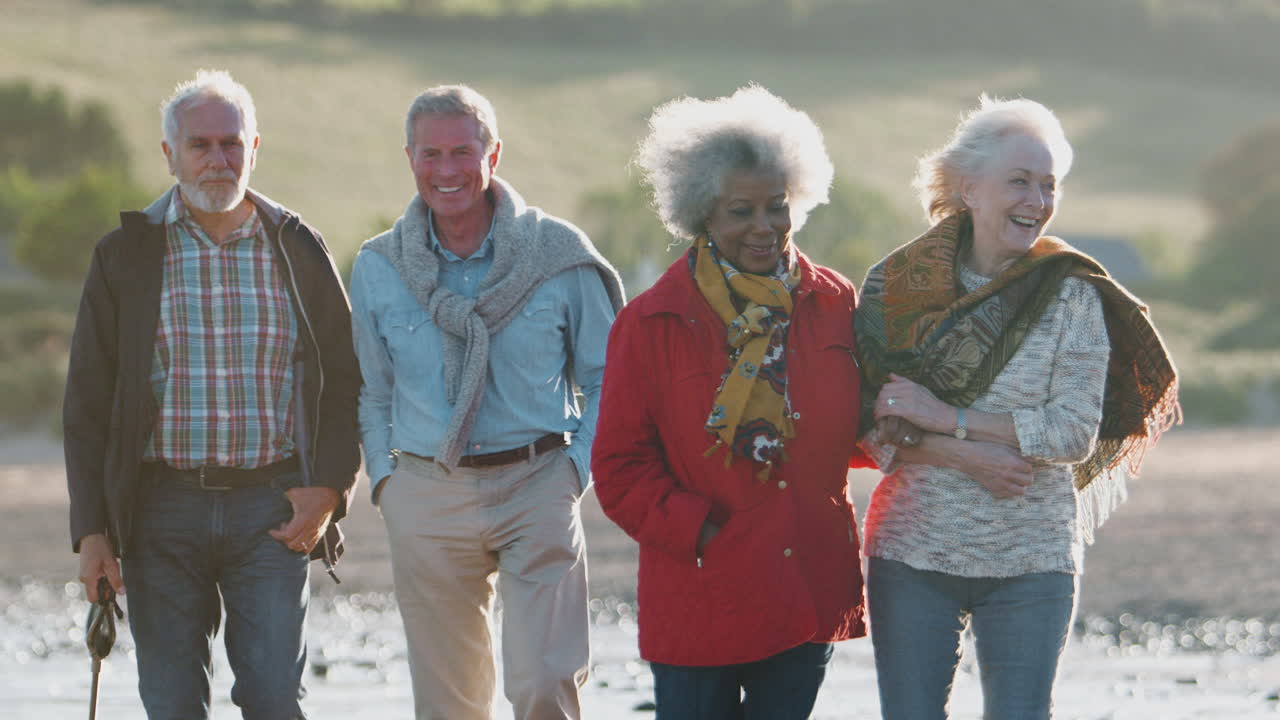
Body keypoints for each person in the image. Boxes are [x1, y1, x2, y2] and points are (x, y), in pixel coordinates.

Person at [854, 95, 1180, 720]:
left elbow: (1072, 434)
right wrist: (966, 455)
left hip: (1032, 561)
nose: (1036, 201)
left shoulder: (1073, 294)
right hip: (911, 553)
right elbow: (871, 424)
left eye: (1048, 185)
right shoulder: (894, 286)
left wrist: (947, 418)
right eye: (1019, 181)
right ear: (970, 188)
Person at [65, 69, 361, 719]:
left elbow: (345, 378)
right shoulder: (125, 255)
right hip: (157, 510)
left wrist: (332, 490)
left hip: (275, 510)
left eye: (232, 143)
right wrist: (91, 531)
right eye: (201, 145)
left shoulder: (298, 247)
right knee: (171, 705)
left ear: (255, 148)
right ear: (170, 154)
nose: (219, 159)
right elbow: (86, 402)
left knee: (274, 699)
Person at [591, 85, 875, 719]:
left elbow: (855, 426)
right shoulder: (651, 321)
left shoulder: (836, 303)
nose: (764, 227)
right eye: (740, 210)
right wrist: (701, 531)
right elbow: (617, 468)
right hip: (700, 593)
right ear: (703, 216)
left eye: (777, 206)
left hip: (805, 581)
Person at [349, 84, 624, 720]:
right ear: (410, 158)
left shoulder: (559, 256)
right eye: (431, 154)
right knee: (450, 706)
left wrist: (572, 472)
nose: (447, 171)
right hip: (426, 492)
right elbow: (372, 391)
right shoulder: (378, 266)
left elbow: (610, 378)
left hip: (537, 484)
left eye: (462, 152)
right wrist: (388, 483)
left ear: (493, 154)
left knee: (544, 685)